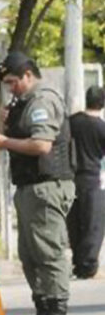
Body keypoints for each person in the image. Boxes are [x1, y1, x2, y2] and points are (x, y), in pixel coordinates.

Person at [0, 51, 75, 315]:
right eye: (7, 84)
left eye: (14, 82)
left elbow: (41, 145)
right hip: (30, 186)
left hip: (47, 186)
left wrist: (4, 142)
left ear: (29, 75)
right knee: (30, 255)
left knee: (48, 251)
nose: (11, 88)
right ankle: (43, 314)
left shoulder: (42, 100)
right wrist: (7, 123)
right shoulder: (24, 103)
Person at [66, 86, 105, 278]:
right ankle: (88, 265)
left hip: (71, 178)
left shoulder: (72, 121)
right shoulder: (100, 127)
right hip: (92, 179)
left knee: (74, 221)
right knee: (93, 224)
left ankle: (77, 262)